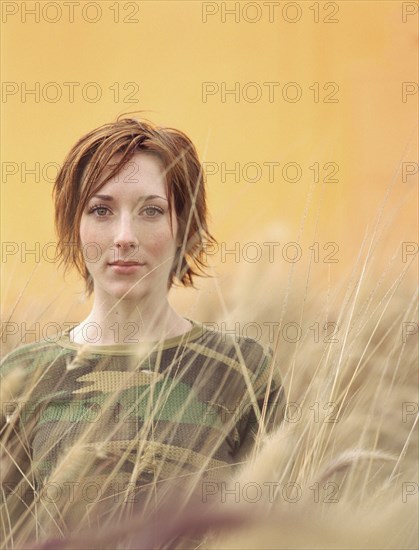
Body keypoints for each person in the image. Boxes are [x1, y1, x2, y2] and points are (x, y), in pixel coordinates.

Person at [0, 116, 284, 546]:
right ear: (74, 227)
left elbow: (271, 530)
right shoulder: (21, 378)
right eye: (101, 210)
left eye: (152, 210)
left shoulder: (243, 369)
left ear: (182, 227)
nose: (125, 236)